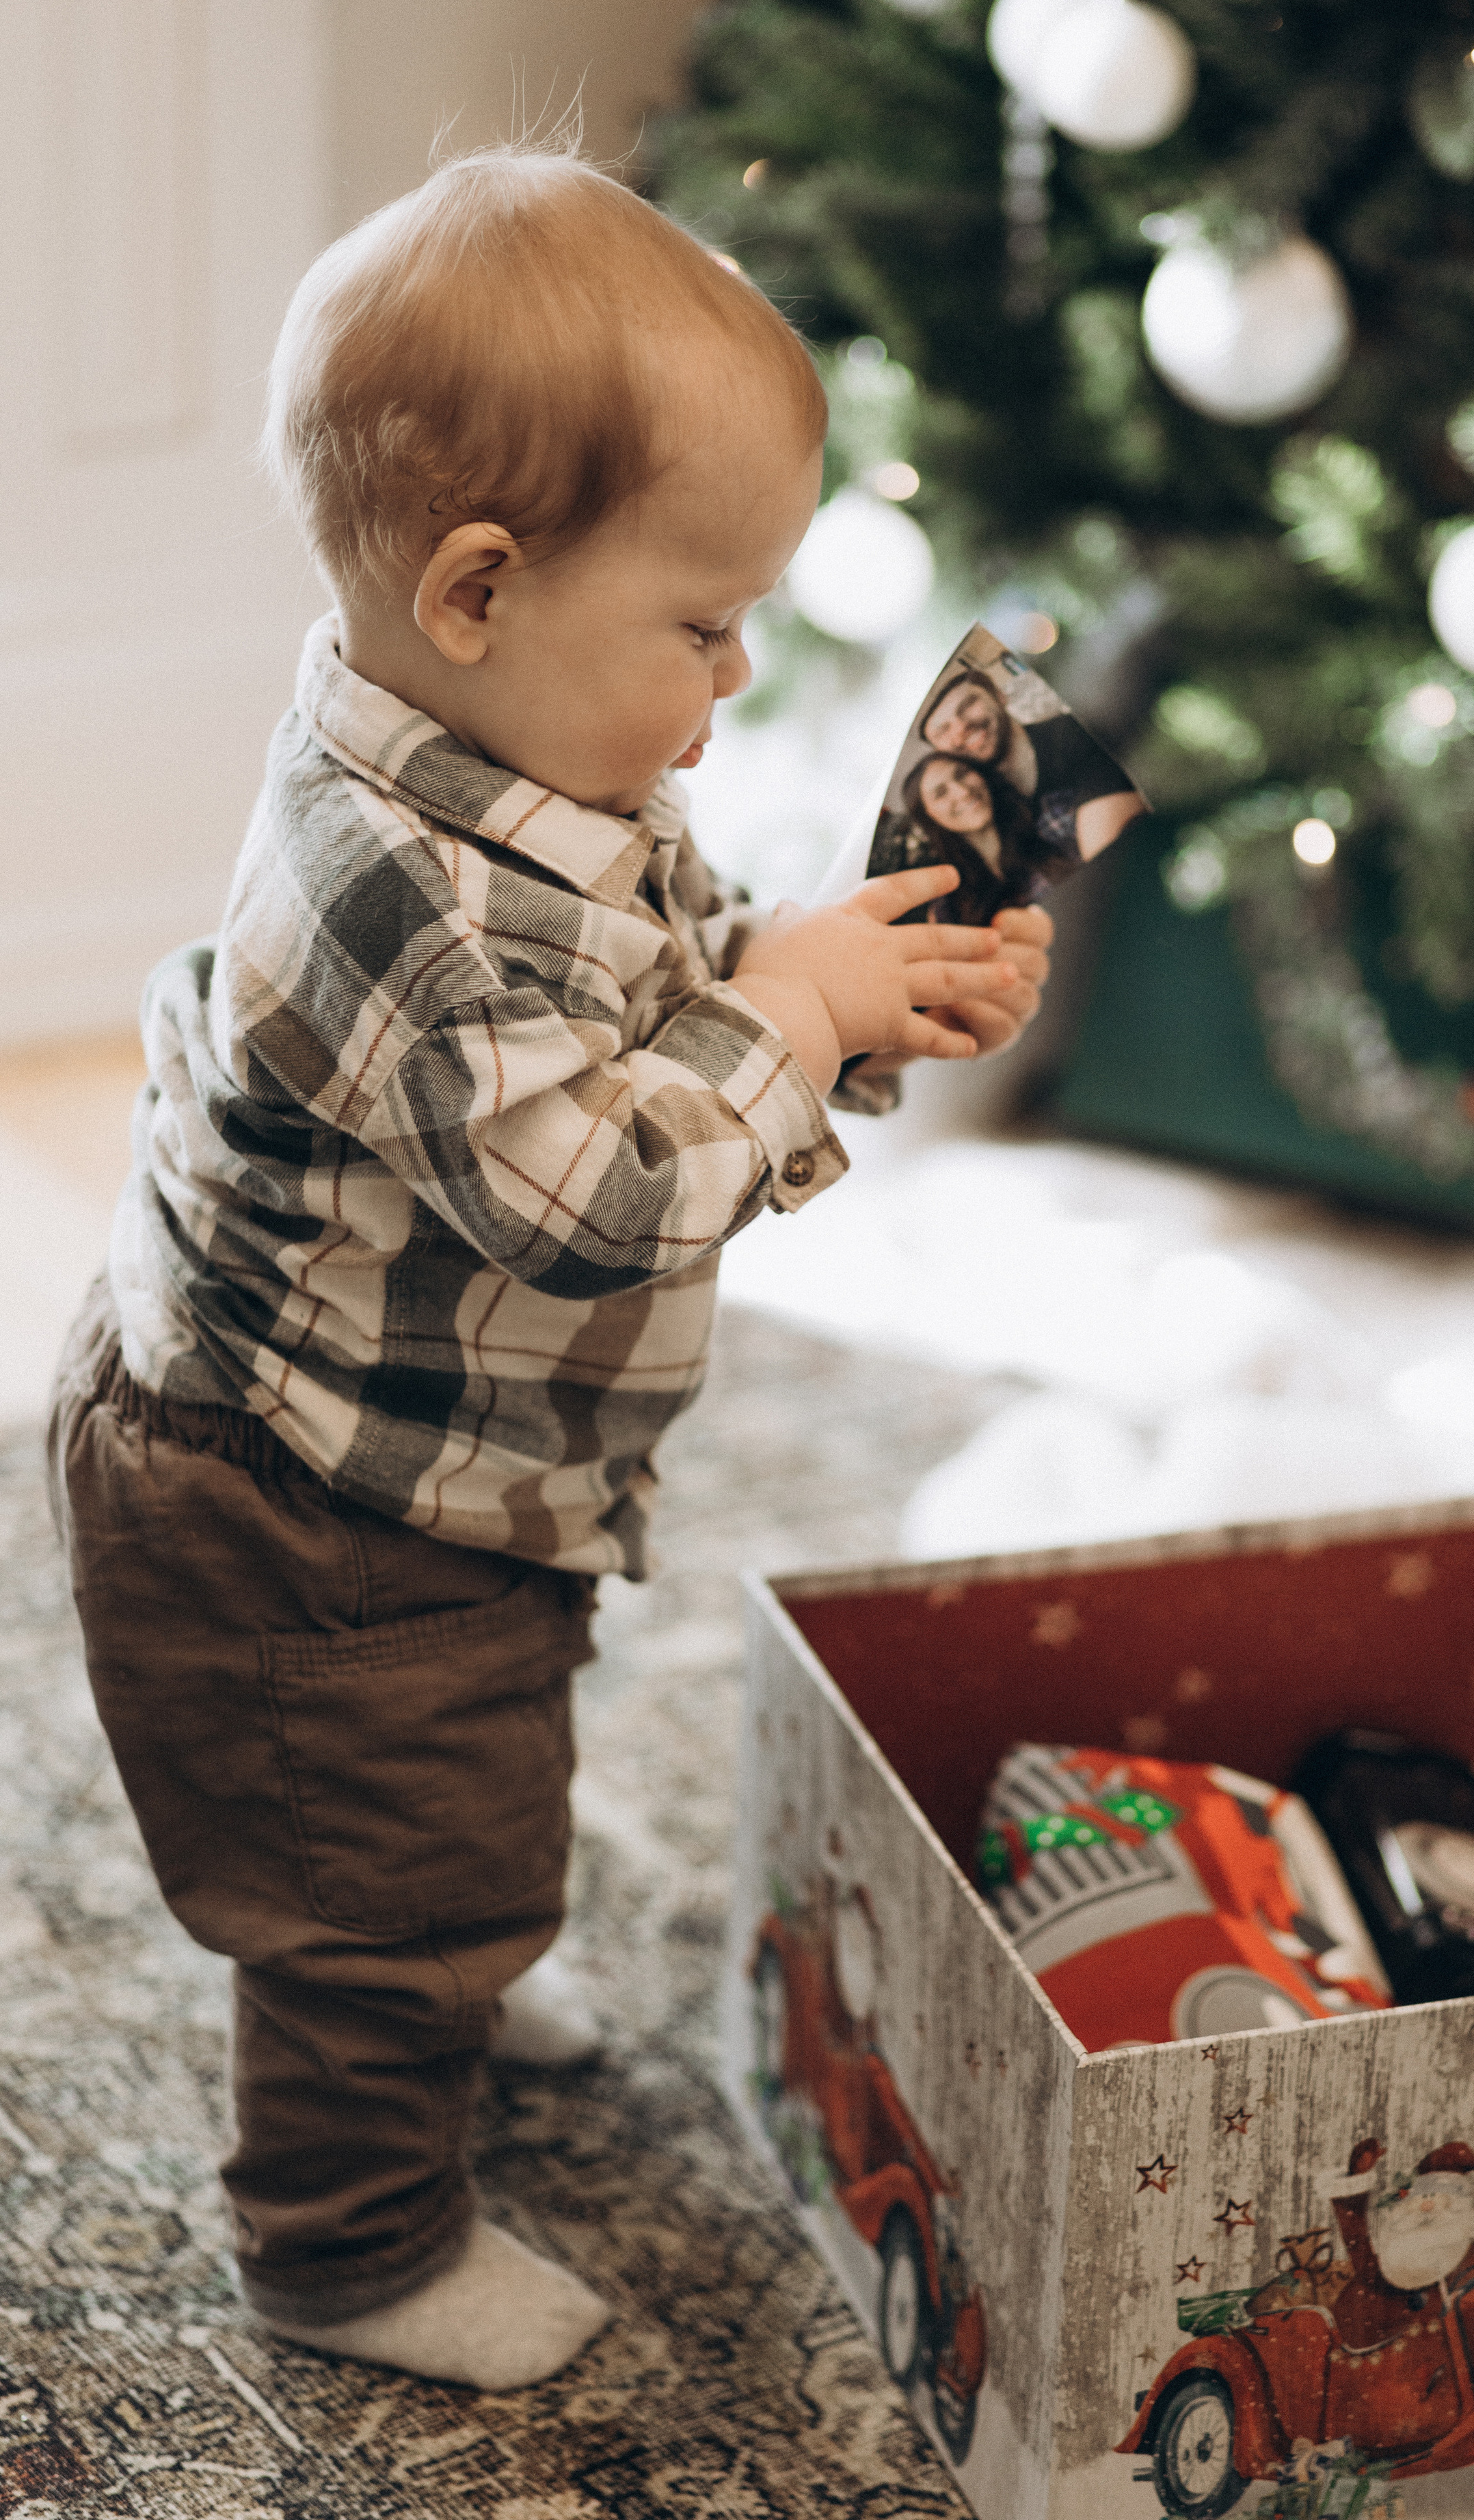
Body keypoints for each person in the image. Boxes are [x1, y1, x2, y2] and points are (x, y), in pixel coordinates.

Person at [44, 147, 1049, 2394]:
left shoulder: (523, 756)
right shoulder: (375, 872)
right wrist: (791, 1021)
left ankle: (455, 1950)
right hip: (300, 1515)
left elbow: (677, 989)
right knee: (367, 1885)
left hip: (447, 1464)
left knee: (472, 1788)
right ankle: (352, 2244)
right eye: (702, 624)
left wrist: (837, 991)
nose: (740, 670)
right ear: (482, 588)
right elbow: (592, 1194)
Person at [922, 665, 1147, 873]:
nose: (961, 728)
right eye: (943, 730)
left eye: (968, 705)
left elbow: (1107, 868)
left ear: (1000, 696)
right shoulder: (977, 800)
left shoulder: (1073, 736)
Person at [889, 750, 1042, 926]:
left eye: (962, 774)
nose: (962, 792)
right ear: (928, 815)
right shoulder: (946, 909)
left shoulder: (1053, 820)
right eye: (940, 793)